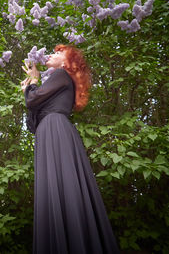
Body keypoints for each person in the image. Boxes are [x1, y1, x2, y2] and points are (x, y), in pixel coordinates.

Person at [21, 44, 120, 254]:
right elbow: (32, 123)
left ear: (67, 62)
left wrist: (34, 84)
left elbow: (32, 100)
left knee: (63, 186)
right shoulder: (58, 82)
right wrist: (30, 87)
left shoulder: (61, 75)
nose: (52, 54)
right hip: (48, 132)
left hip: (56, 131)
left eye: (58, 52)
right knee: (58, 187)